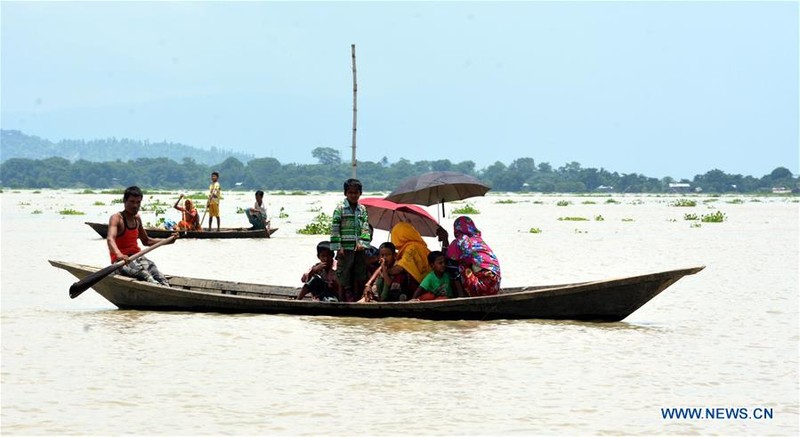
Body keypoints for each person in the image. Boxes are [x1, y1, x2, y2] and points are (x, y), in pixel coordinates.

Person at [107, 186, 176, 286]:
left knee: (159, 276)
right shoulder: (117, 218)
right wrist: (119, 254)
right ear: (124, 201)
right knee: (146, 277)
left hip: (138, 257)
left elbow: (146, 241)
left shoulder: (137, 219)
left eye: (138, 202)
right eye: (132, 201)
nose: (135, 205)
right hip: (121, 262)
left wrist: (168, 240)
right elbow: (110, 239)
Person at [330, 178, 371, 302]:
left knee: (358, 274)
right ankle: (342, 300)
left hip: (359, 248)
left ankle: (357, 299)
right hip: (345, 247)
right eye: (351, 192)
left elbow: (365, 226)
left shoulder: (362, 209)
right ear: (345, 193)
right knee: (344, 275)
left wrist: (362, 243)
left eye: (356, 192)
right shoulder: (340, 208)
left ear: (360, 193)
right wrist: (339, 247)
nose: (353, 195)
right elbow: (335, 229)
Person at [443, 216, 501, 297]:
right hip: (495, 285)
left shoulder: (460, 241)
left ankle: (461, 294)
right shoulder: (479, 240)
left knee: (451, 264)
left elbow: (446, 257)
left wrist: (444, 240)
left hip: (482, 287)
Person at [388, 221, 432, 287]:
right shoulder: (419, 246)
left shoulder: (411, 247)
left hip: (423, 286)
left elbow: (400, 268)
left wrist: (385, 271)